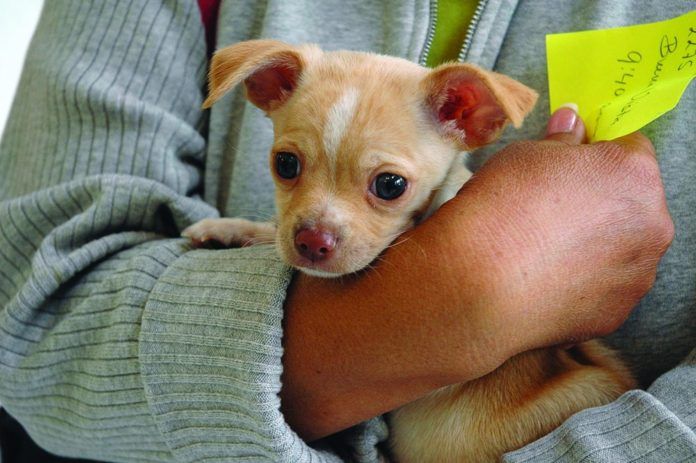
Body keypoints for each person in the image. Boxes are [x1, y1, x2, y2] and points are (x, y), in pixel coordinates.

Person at [0, 1, 692, 462]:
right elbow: (34, 307)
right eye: (290, 166)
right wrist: (460, 293)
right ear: (266, 87)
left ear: (469, 117)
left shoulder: (454, 117)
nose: (316, 227)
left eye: (386, 187)